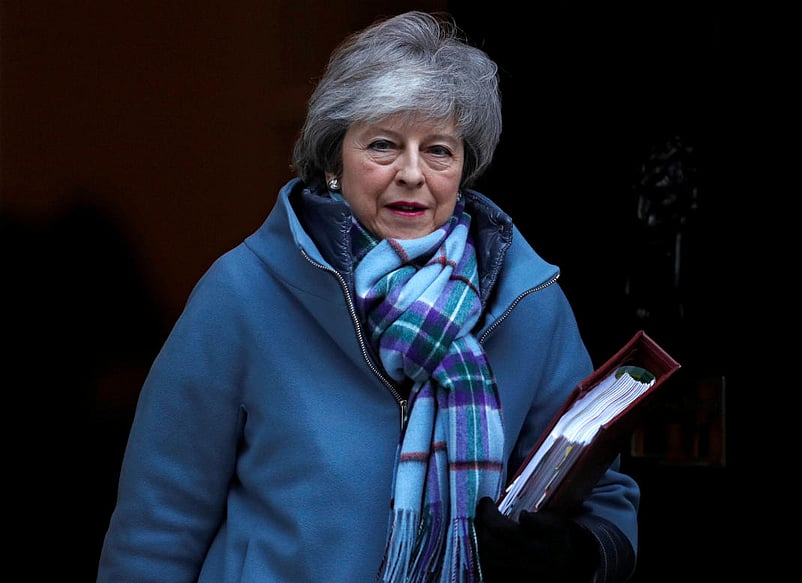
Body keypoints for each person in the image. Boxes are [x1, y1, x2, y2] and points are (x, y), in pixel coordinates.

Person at [96, 10, 639, 583]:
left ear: (463, 169)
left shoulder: (528, 304)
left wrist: (576, 554)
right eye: (383, 145)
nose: (412, 173)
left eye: (439, 150)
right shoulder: (243, 293)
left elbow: (601, 494)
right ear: (334, 160)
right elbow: (158, 524)